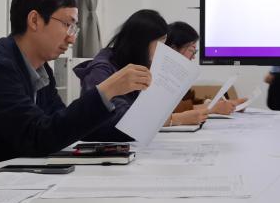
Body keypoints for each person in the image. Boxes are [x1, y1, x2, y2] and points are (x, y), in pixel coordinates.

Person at [0, 0, 149, 163]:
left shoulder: (40, 68)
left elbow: (63, 126)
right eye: (67, 25)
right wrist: (107, 90)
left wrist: (140, 125)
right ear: (34, 20)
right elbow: (37, 138)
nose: (71, 38)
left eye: (74, 29)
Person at [75, 10, 206, 133]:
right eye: (160, 44)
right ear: (142, 43)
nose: (163, 52)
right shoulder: (101, 70)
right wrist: (175, 119)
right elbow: (121, 119)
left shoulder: (134, 64)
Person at [165, 21, 246, 117]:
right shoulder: (161, 75)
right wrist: (212, 108)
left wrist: (213, 103)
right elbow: (173, 109)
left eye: (195, 52)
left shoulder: (178, 75)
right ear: (173, 49)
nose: (193, 57)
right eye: (191, 50)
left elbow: (188, 101)